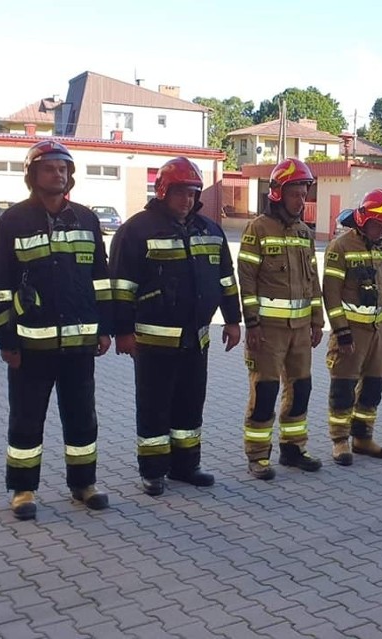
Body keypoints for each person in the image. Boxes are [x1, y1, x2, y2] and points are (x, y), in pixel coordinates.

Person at [0, 140, 112, 520]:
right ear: (32, 175)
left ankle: (83, 484)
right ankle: (23, 490)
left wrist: (104, 328)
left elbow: (101, 281)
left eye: (63, 169)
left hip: (79, 344)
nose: (58, 174)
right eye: (49, 168)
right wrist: (6, 340)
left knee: (82, 418)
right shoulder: (12, 222)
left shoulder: (87, 220)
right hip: (30, 346)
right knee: (26, 420)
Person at [109, 157, 241, 496]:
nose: (187, 200)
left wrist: (233, 319)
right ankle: (153, 471)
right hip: (153, 342)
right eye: (180, 192)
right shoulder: (136, 230)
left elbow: (226, 279)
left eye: (193, 193)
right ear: (164, 192)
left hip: (196, 339)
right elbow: (120, 287)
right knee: (154, 406)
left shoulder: (209, 230)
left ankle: (186, 465)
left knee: (190, 403)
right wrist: (122, 331)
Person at [237, 158, 324, 480]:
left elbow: (312, 280)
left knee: (301, 389)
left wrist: (317, 320)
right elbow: (246, 279)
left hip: (301, 331)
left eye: (304, 194)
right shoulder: (258, 228)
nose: (301, 201)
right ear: (277, 193)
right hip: (268, 332)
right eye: (295, 195)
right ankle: (258, 455)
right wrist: (253, 323)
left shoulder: (304, 232)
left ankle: (293, 448)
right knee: (266, 391)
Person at [323, 189, 382, 464]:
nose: (380, 230)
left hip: (378, 333)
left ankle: (363, 437)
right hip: (352, 333)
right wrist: (342, 332)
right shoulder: (341, 247)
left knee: (373, 387)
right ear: (363, 219)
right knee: (344, 388)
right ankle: (339, 441)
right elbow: (331, 294)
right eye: (376, 225)